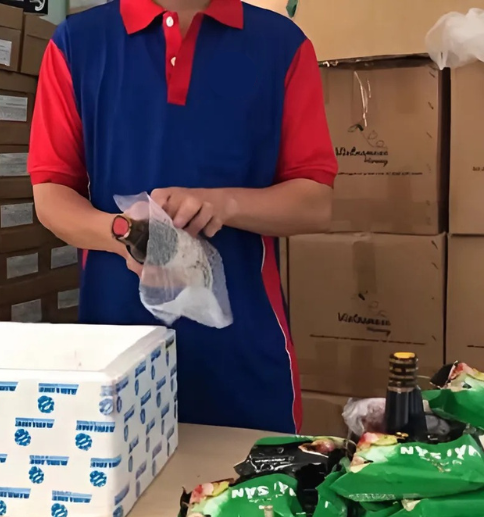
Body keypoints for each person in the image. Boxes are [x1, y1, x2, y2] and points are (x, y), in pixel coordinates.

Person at [28, 0, 337, 433]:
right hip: (116, 354)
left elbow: (315, 202)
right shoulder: (77, 44)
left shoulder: (282, 45)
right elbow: (51, 195)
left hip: (242, 355)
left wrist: (224, 205)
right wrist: (124, 234)